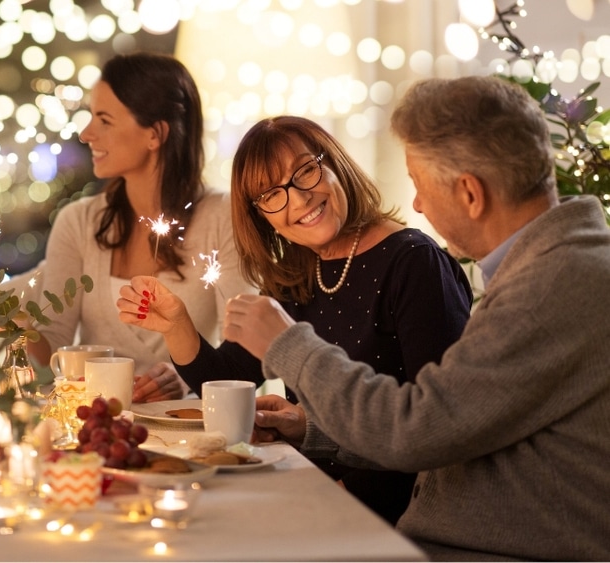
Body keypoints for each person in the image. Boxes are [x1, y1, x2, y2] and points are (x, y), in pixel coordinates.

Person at [233, 76, 610, 560]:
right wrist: (310, 427)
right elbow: (451, 425)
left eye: (418, 184)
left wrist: (290, 347)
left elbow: (418, 433)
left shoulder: (551, 288)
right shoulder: (554, 265)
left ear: (470, 194)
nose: (416, 205)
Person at [117, 115, 473, 524]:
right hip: (306, 486)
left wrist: (336, 496)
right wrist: (176, 324)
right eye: (272, 194)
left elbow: (438, 429)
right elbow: (228, 380)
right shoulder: (297, 272)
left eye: (305, 171)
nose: (298, 199)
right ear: (261, 216)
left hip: (388, 514)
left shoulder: (414, 263)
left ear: (334, 162)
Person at [27, 52, 256, 402]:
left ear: (155, 134)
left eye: (104, 120)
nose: (86, 134)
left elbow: (242, 351)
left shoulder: (224, 216)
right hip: (97, 422)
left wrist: (186, 377)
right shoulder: (77, 222)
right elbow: (53, 355)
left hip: (187, 425)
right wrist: (18, 327)